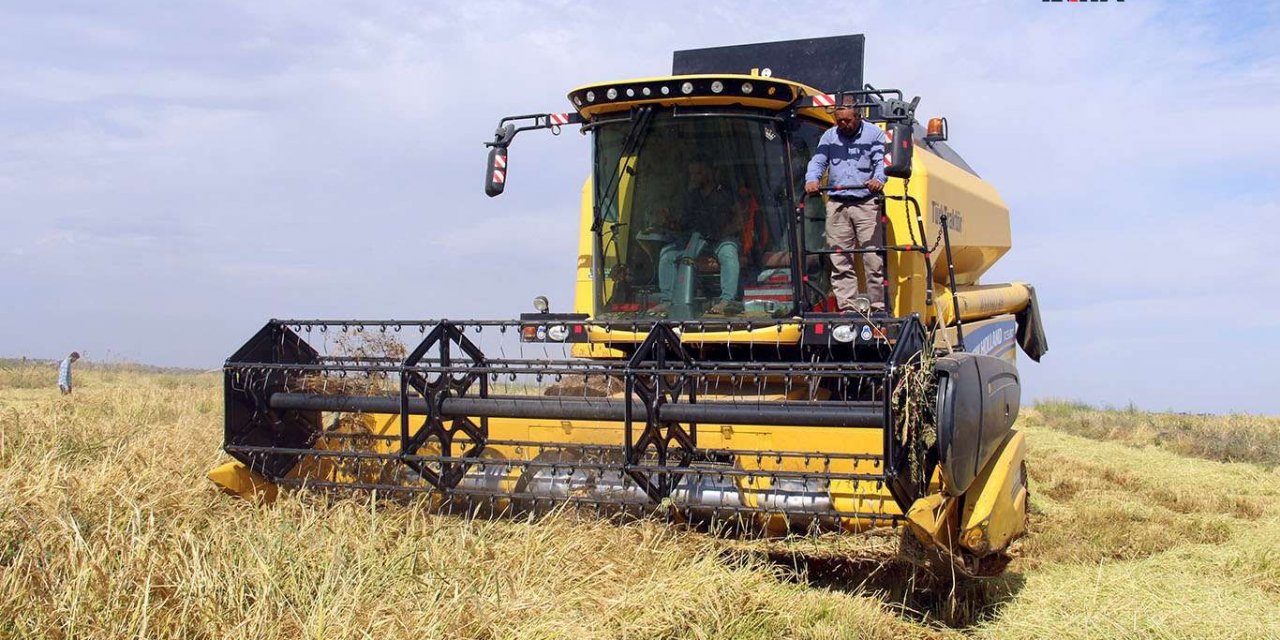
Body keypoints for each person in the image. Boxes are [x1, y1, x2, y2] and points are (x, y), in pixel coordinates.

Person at [804, 103, 888, 314]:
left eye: (847, 120)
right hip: (837, 203)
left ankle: (878, 308)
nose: (843, 124)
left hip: (866, 203)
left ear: (858, 116)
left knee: (872, 258)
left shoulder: (875, 134)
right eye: (839, 120)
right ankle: (848, 309)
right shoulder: (830, 137)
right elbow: (818, 161)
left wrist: (878, 179)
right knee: (839, 258)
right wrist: (812, 179)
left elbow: (881, 163)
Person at [652, 155, 743, 316]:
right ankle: (668, 301)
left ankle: (727, 300)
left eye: (698, 173)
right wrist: (669, 222)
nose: (693, 178)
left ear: (710, 172)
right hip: (696, 241)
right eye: (692, 174)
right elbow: (683, 225)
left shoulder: (727, 193)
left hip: (721, 240)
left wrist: (721, 233)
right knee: (666, 254)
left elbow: (739, 220)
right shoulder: (691, 197)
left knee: (729, 253)